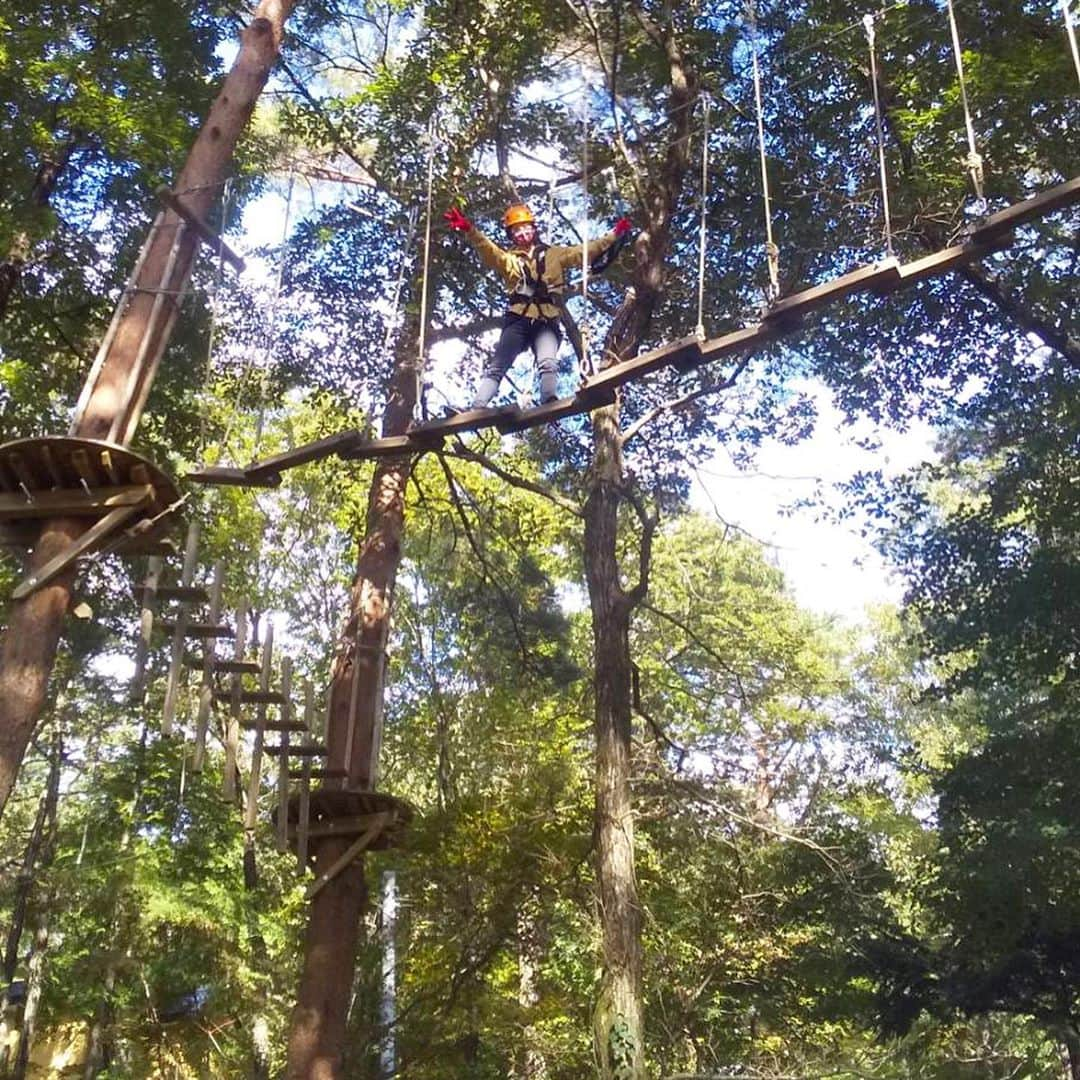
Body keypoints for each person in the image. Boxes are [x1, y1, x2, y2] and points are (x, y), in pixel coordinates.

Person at [443, 203, 633, 408]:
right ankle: (477, 406)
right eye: (516, 229)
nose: (522, 232)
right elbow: (489, 251)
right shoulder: (510, 260)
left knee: (548, 362)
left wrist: (615, 234)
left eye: (525, 227)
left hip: (547, 319)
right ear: (511, 235)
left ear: (534, 229)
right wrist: (470, 230)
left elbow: (585, 251)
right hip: (518, 318)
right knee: (499, 364)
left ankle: (549, 399)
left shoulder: (554, 254)